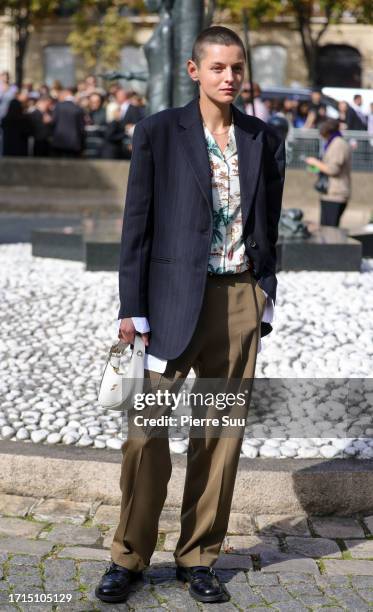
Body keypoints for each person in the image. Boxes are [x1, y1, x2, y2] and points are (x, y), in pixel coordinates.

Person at [95, 25, 285, 605]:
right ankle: (129, 556)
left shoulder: (263, 138)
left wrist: (264, 294)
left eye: (237, 67)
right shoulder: (158, 132)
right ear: (194, 70)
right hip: (170, 306)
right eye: (219, 67)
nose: (230, 77)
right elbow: (137, 225)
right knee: (144, 434)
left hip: (236, 306)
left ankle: (198, 556)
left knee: (219, 437)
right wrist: (134, 307)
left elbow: (268, 224)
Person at [306, 118, 351, 227]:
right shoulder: (333, 142)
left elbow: (333, 170)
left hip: (336, 194)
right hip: (330, 193)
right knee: (326, 230)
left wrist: (315, 162)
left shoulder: (338, 144)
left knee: (330, 231)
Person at [50, 86, 86, 157]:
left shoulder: (58, 106)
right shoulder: (78, 108)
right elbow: (81, 128)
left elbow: (53, 122)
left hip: (59, 142)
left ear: (65, 94)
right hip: (74, 143)